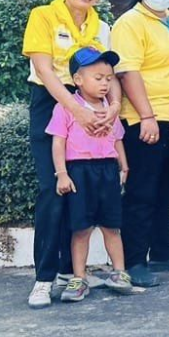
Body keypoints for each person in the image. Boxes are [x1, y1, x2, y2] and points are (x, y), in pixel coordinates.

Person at [21, 0, 117, 310]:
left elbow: (110, 75)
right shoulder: (43, 16)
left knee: (81, 190)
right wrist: (76, 109)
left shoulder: (102, 27)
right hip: (53, 102)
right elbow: (44, 70)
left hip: (92, 104)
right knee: (52, 190)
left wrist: (113, 107)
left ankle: (69, 273)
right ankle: (44, 279)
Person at [113, 0, 169, 287]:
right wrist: (145, 115)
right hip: (147, 118)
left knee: (168, 189)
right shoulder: (130, 23)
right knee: (142, 192)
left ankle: (162, 249)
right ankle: (134, 260)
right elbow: (127, 71)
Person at [48, 47, 132, 302]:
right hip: (79, 172)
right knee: (81, 229)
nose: (105, 84)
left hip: (107, 170)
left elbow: (117, 139)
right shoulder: (66, 108)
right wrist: (62, 174)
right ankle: (79, 277)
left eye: (108, 78)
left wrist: (123, 166)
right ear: (78, 79)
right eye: (98, 78)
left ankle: (119, 272)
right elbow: (58, 142)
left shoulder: (110, 109)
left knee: (112, 226)